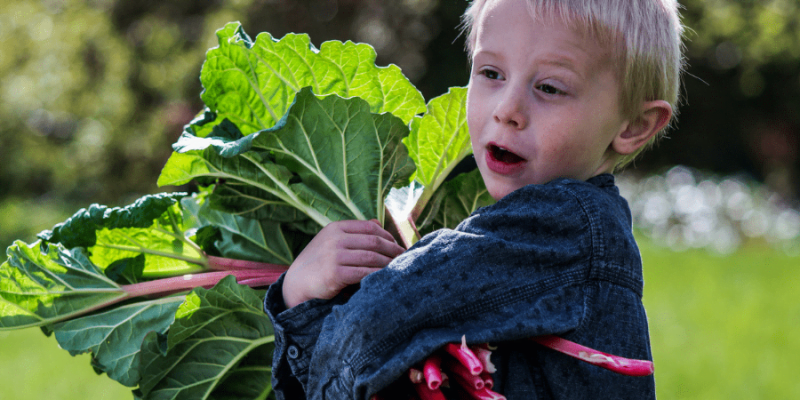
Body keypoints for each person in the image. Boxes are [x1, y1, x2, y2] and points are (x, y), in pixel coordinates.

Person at [264, 0, 685, 398]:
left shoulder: (566, 224)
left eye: (551, 88)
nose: (508, 108)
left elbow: (373, 325)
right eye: (490, 73)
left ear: (634, 125)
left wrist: (299, 302)